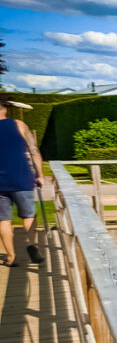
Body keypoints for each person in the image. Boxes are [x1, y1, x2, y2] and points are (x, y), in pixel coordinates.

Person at [0, 99, 44, 267]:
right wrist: (40, 175)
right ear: (5, 110)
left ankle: (11, 257)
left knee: (3, 221)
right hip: (21, 177)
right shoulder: (19, 124)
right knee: (29, 215)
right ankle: (31, 244)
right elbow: (34, 150)